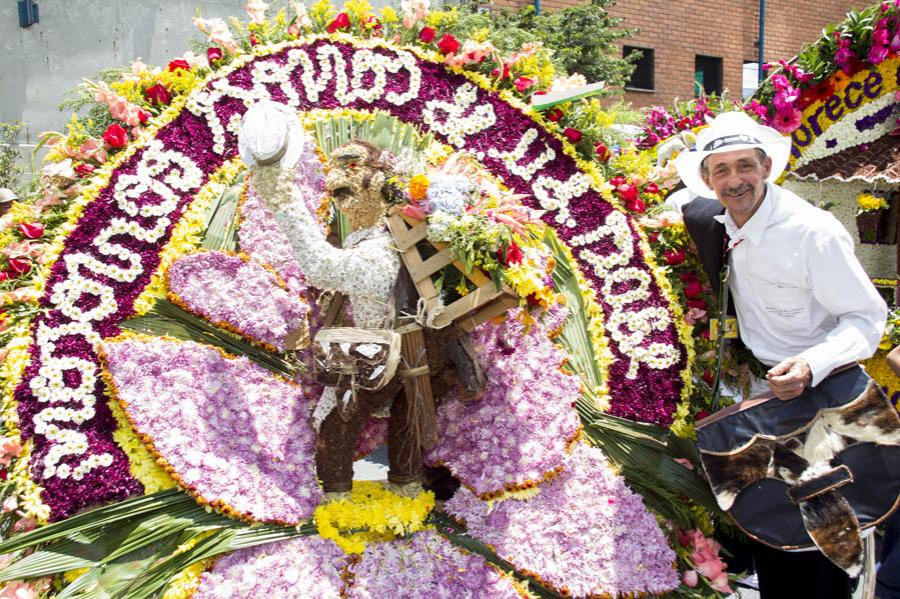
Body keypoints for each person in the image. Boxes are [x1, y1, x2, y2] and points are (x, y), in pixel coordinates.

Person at [675, 111, 888, 599]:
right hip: (760, 404)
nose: (735, 181)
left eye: (745, 166)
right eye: (721, 170)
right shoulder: (709, 217)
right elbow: (676, 204)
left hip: (823, 402)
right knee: (773, 533)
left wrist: (812, 363)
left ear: (767, 167)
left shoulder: (812, 231)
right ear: (706, 179)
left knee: (832, 539)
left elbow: (866, 319)